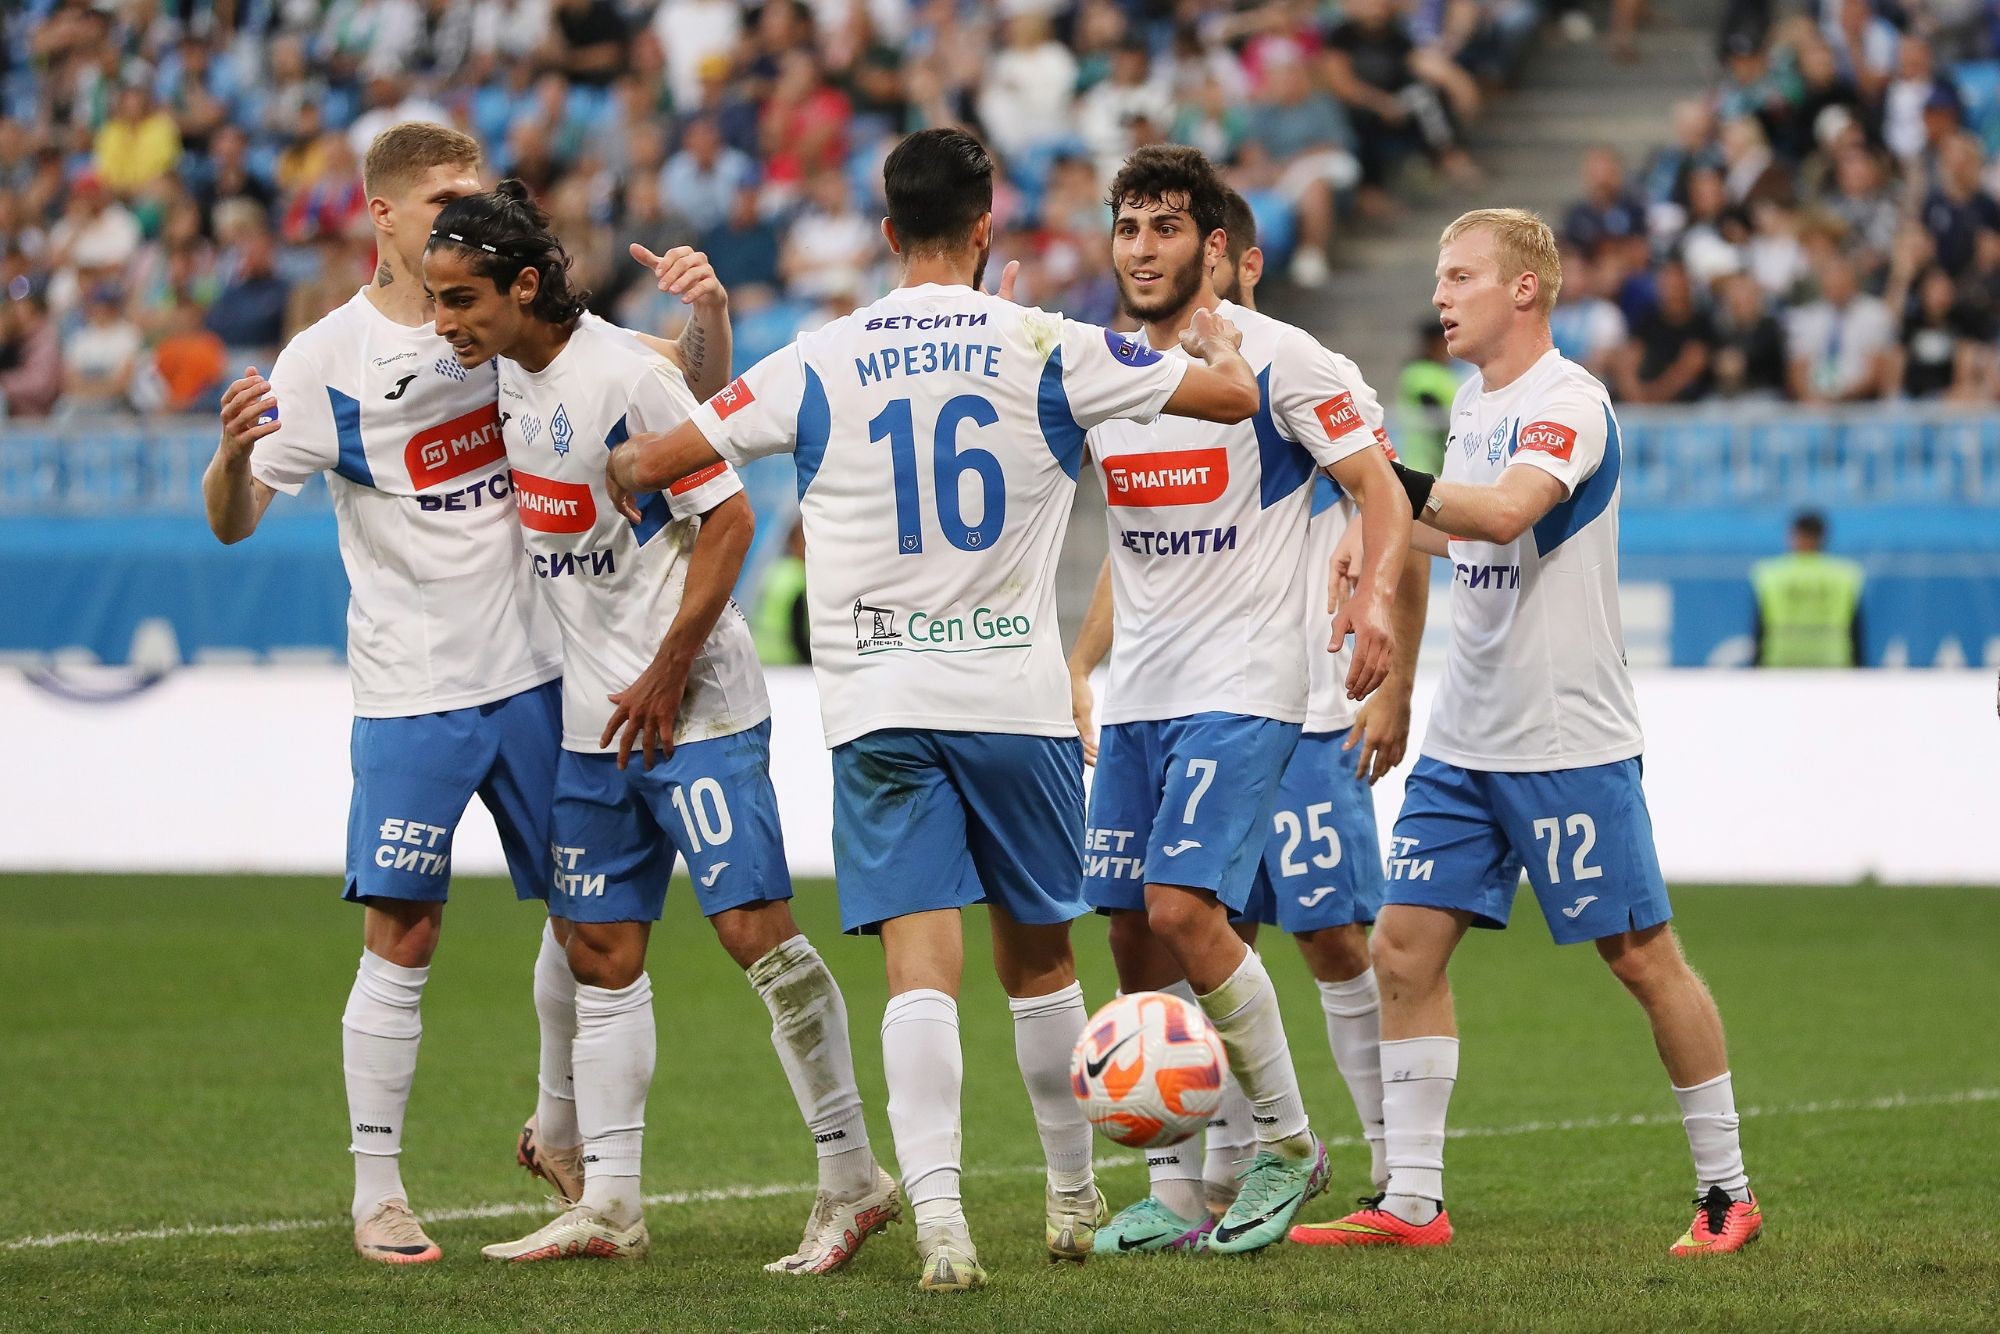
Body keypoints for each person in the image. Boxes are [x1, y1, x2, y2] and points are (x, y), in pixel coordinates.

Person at [601, 127, 1263, 1291]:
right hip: (1014, 697)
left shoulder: (818, 356)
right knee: (1039, 956)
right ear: (985, 228)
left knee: (920, 969)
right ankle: (1070, 1194)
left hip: (880, 699)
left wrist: (618, 468)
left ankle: (944, 1224)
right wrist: (1215, 343)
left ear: (887, 230)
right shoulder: (1048, 342)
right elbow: (1228, 399)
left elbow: (657, 458)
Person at [422, 182, 891, 1271]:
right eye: (436, 301)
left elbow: (729, 518)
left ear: (522, 287)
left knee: (755, 934)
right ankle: (612, 1203)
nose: (444, 322)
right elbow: (689, 369)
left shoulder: (621, 377)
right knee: (600, 948)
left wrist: (667, 670)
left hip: (698, 708)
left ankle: (853, 1177)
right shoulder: (512, 369)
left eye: (460, 301)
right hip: (594, 720)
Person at [1291, 209, 1762, 1257]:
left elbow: (1503, 514)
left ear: (1524, 289)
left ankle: (1726, 1190)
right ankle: (1413, 1201)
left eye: (1459, 275)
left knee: (1640, 957)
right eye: (1437, 275)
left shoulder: (1570, 402)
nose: (1439, 294)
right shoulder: (1471, 404)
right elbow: (1447, 537)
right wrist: (1376, 543)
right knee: (1401, 948)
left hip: (1565, 740)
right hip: (1465, 740)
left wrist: (1378, 485)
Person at [201, 122, 565, 1267]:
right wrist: (229, 456)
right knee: (403, 930)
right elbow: (233, 521)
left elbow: (649, 371)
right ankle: (378, 1191)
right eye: (446, 197)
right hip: (413, 688)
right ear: (385, 215)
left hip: (541, 672)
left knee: (593, 917)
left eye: (475, 191)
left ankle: (561, 1127)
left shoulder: (506, 312)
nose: (468, 210)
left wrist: (701, 321)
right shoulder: (326, 359)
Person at [1064, 146, 1410, 1255]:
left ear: (1213, 246)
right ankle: (1173, 1187)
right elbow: (1130, 544)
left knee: (1184, 910)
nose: (1142, 248)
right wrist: (1079, 663)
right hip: (1142, 691)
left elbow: (1378, 488)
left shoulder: (1283, 358)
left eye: (1165, 227)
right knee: (1130, 929)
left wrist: (1377, 608)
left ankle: (1288, 1142)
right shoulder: (1102, 365)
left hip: (1248, 680)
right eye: (1128, 227)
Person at [1752, 511, 1865, 668]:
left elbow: (1759, 627)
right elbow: (1856, 630)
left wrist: (1756, 667)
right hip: (1832, 661)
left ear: (1794, 535)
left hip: (1781, 661)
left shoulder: (1771, 574)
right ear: (1822, 537)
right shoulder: (1844, 574)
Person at [1394, 321, 1458, 476]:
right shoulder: (1419, 372)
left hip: (1442, 462)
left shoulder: (1445, 372)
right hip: (1424, 464)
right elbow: (1434, 412)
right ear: (1433, 343)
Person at [752, 519, 811, 664]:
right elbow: (797, 630)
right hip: (786, 659)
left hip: (762, 655)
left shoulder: (776, 570)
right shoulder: (798, 577)